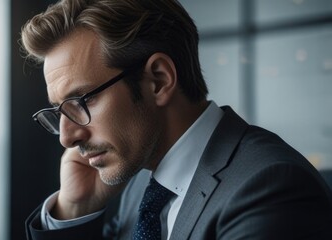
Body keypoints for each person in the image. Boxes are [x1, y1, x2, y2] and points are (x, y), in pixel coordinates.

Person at [21, 0, 332, 239]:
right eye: (60, 109)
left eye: (83, 100)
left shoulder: (270, 191)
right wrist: (75, 209)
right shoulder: (142, 181)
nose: (66, 137)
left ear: (158, 80)